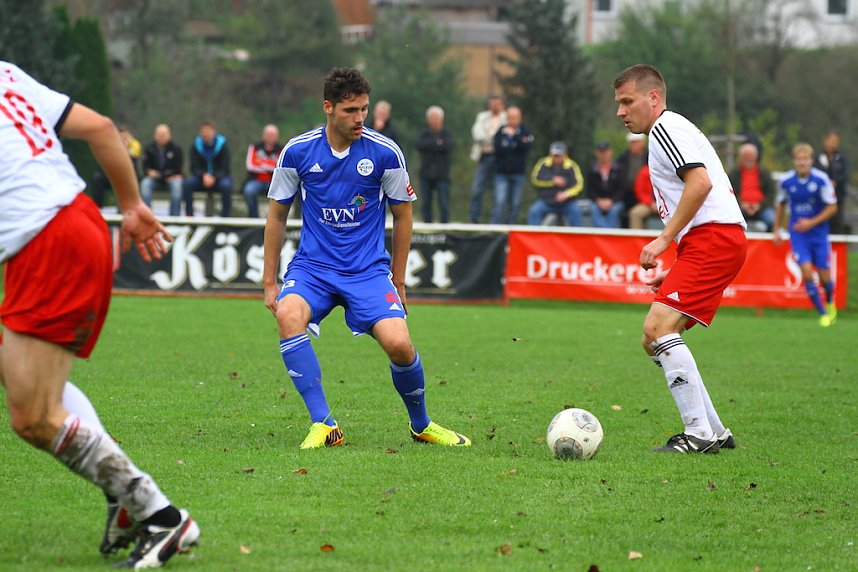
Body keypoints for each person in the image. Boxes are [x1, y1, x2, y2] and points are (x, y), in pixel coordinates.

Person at [0, 61, 198, 568]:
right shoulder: (6, 76)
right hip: (77, 222)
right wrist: (131, 205)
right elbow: (102, 128)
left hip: (48, 244)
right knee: (18, 377)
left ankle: (160, 515)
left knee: (34, 417)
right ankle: (127, 499)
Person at [262, 66, 471, 450]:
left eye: (364, 109)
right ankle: (324, 424)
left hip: (367, 272)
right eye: (351, 110)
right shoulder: (297, 151)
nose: (360, 118)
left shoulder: (385, 152)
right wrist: (270, 280)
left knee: (399, 344)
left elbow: (403, 215)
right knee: (288, 315)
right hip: (314, 269)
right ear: (328, 108)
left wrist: (399, 279)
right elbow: (277, 215)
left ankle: (421, 424)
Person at [613, 63, 747, 454]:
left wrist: (663, 240)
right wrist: (676, 264)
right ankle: (715, 430)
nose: (621, 112)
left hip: (713, 239)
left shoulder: (664, 128)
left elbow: (700, 183)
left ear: (653, 98)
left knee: (658, 329)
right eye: (618, 103)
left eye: (627, 101)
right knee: (652, 338)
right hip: (712, 240)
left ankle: (699, 434)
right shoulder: (669, 129)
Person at [774, 142, 839, 327]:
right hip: (799, 235)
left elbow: (833, 207)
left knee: (825, 277)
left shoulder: (821, 179)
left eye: (805, 159)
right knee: (808, 273)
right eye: (799, 159)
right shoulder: (786, 181)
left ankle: (830, 300)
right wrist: (777, 228)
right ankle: (824, 313)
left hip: (819, 234)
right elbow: (780, 204)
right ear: (795, 161)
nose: (802, 162)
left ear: (811, 161)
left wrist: (812, 222)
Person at [490, 106, 534, 224]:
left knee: (515, 204)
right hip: (502, 173)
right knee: (499, 202)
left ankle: (511, 229)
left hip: (518, 173)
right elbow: (497, 148)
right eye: (510, 118)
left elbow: (526, 147)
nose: (512, 121)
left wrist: (515, 136)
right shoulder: (501, 132)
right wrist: (507, 139)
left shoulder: (525, 132)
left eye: (515, 118)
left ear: (520, 118)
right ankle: (495, 230)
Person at [526, 141, 585, 226]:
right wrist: (552, 180)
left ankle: (575, 239)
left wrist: (566, 194)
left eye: (559, 155)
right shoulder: (543, 163)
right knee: (534, 211)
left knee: (576, 212)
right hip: (546, 201)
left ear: (565, 155)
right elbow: (535, 179)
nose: (556, 158)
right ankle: (533, 238)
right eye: (554, 155)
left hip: (567, 203)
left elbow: (579, 185)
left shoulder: (572, 166)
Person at [468, 95, 506, 223]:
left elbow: (502, 139)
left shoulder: (506, 118)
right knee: (477, 189)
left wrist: (493, 138)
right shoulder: (482, 117)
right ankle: (474, 219)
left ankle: (495, 221)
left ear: (502, 104)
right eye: (492, 103)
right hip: (484, 157)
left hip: (500, 158)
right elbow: (477, 134)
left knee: (498, 192)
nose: (494, 106)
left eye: (497, 104)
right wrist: (495, 137)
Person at [182, 121, 233, 217]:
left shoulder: (223, 146)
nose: (206, 133)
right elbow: (194, 167)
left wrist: (214, 177)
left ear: (214, 131)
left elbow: (225, 168)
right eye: (203, 131)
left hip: (219, 178)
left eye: (208, 131)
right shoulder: (196, 146)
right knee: (188, 184)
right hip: (201, 178)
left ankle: (225, 218)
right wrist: (203, 175)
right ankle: (189, 216)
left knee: (226, 186)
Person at [414, 105, 453, 223]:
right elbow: (418, 145)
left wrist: (430, 145)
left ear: (441, 119)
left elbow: (447, 146)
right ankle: (427, 227)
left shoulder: (447, 133)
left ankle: (445, 227)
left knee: (444, 203)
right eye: (432, 118)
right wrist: (436, 144)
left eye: (436, 118)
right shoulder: (423, 134)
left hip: (442, 174)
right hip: (425, 174)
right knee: (426, 203)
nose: (434, 121)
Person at [89, 125, 141, 208]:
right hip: (110, 176)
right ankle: (97, 207)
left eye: (125, 138)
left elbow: (132, 168)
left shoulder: (134, 147)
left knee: (129, 180)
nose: (123, 140)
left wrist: (125, 150)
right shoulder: (107, 146)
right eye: (121, 137)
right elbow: (102, 166)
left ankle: (125, 209)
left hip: (125, 177)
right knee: (97, 178)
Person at [727, 142, 776, 231]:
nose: (749, 158)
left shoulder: (764, 172)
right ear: (741, 157)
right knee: (730, 220)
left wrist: (759, 205)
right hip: (740, 207)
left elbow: (771, 193)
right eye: (746, 156)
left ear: (756, 157)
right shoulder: (734, 173)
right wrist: (742, 204)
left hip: (762, 207)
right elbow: (729, 192)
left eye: (751, 156)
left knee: (771, 220)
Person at [140, 123, 184, 216]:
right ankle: (147, 216)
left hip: (171, 180)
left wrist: (159, 175)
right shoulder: (149, 148)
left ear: (169, 136)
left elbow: (177, 170)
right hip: (154, 180)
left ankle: (174, 218)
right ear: (155, 135)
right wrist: (161, 175)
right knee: (145, 183)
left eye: (164, 135)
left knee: (177, 185)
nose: (162, 137)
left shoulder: (176, 149)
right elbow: (146, 169)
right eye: (159, 135)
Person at [241, 124, 283, 218]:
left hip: (274, 181)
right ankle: (253, 217)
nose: (270, 137)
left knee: (285, 194)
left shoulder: (282, 149)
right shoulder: (255, 147)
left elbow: (280, 167)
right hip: (256, 180)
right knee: (249, 190)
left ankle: (275, 218)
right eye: (268, 134)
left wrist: (261, 162)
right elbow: (250, 165)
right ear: (263, 135)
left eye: (273, 135)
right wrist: (270, 164)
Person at [813, 130, 850, 234]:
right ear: (825, 140)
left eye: (836, 142)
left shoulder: (842, 158)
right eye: (832, 141)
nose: (834, 144)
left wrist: (835, 182)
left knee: (836, 225)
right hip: (819, 199)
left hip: (837, 198)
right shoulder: (817, 158)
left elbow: (845, 175)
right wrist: (825, 183)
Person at [585, 141, 626, 228]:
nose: (603, 155)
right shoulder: (592, 170)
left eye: (605, 151)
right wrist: (598, 200)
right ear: (596, 153)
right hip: (597, 202)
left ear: (610, 152)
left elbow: (622, 189)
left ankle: (608, 235)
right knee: (593, 209)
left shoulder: (619, 169)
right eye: (601, 152)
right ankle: (602, 235)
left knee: (614, 210)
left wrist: (611, 201)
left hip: (615, 201)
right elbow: (590, 190)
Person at [615, 131, 648, 226]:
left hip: (644, 195)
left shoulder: (649, 156)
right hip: (626, 194)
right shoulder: (623, 158)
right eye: (631, 143)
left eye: (636, 142)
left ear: (642, 143)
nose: (633, 145)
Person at [627, 164, 659, 230]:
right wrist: (650, 203)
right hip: (649, 204)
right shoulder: (644, 171)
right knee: (635, 213)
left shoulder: (670, 171)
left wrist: (661, 204)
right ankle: (637, 239)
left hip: (667, 205)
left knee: (678, 214)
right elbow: (639, 191)